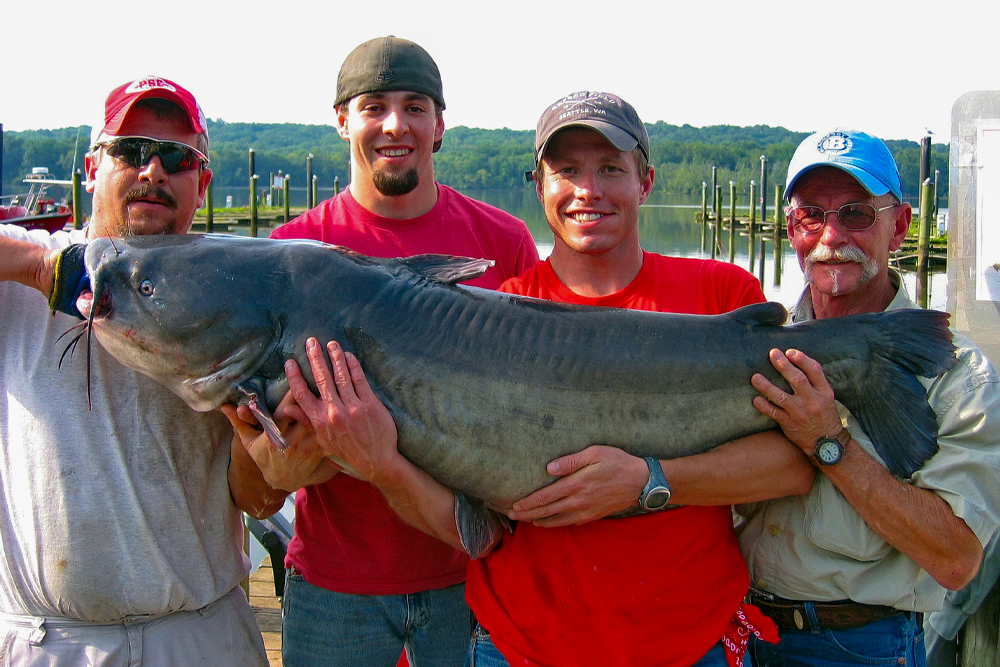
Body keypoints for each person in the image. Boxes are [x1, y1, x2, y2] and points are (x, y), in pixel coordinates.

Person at [277, 91, 818, 667]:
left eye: (611, 168)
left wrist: (647, 480)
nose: (589, 189)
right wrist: (380, 464)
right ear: (539, 186)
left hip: (691, 642)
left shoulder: (721, 296)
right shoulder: (491, 316)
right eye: (567, 171)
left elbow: (790, 467)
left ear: (647, 182)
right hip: (520, 648)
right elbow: (470, 528)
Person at [226, 36, 538, 667]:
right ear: (342, 120)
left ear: (440, 125)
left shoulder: (503, 241)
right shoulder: (290, 250)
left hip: (476, 576)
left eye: (415, 106)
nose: (395, 125)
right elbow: (255, 450)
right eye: (373, 107)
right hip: (335, 584)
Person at [0, 76, 268, 665]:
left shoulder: (239, 289)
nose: (153, 171)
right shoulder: (19, 273)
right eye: (131, 150)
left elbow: (261, 498)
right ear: (93, 167)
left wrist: (267, 442)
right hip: (48, 641)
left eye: (177, 157)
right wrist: (51, 268)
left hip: (199, 632)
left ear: (202, 184)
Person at [742, 128, 1000, 667]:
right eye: (812, 214)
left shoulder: (958, 374)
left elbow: (957, 560)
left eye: (856, 213)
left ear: (900, 225)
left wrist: (828, 443)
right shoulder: (753, 343)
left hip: (858, 645)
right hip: (736, 632)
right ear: (791, 228)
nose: (831, 235)